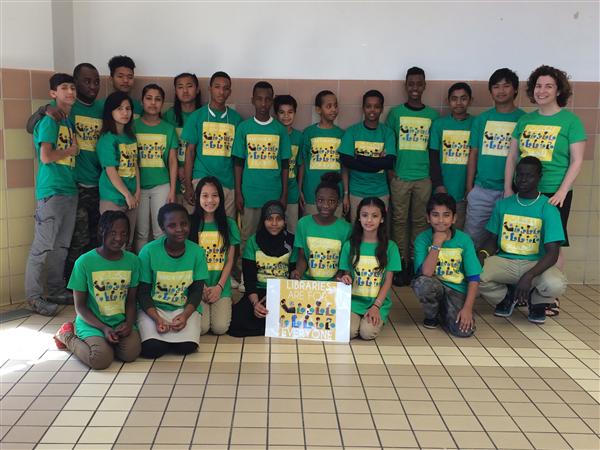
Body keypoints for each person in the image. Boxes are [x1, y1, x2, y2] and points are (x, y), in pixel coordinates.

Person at [504, 66, 586, 315]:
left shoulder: (570, 121)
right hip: (523, 191)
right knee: (524, 239)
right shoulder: (525, 120)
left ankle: (550, 296)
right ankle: (522, 291)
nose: (542, 90)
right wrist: (508, 188)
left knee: (553, 244)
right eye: (538, 86)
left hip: (553, 193)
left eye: (548, 86)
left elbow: (577, 160)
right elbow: (512, 156)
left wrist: (562, 191)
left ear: (558, 89)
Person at [24, 64, 103, 280]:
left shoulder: (96, 109)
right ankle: (63, 286)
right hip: (65, 186)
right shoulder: (58, 112)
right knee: (69, 241)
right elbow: (33, 128)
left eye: (96, 81)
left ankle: (76, 285)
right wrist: (44, 110)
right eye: (85, 81)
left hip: (92, 186)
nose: (92, 86)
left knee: (83, 240)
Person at [478, 157, 567, 324]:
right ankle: (506, 298)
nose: (523, 179)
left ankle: (537, 302)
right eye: (519, 175)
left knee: (556, 284)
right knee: (474, 273)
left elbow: (553, 253)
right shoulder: (503, 205)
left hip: (535, 264)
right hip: (505, 261)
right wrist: (481, 255)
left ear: (539, 177)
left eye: (529, 175)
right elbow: (492, 239)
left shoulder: (548, 208)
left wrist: (529, 275)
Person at [54, 211, 141, 369]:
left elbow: (131, 300)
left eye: (124, 233)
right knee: (100, 360)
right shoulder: (84, 262)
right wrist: (104, 328)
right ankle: (66, 335)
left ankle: (107, 343)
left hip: (119, 322)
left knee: (130, 354)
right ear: (102, 231)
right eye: (113, 232)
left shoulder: (133, 261)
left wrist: (128, 323)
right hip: (92, 323)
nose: (119, 238)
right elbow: (80, 307)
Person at [25, 73, 79, 316]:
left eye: (72, 88)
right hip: (52, 192)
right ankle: (34, 298)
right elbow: (46, 157)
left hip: (68, 190)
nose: (70, 91)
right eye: (64, 88)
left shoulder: (67, 119)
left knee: (61, 247)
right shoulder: (49, 120)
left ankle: (56, 289)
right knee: (42, 247)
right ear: (53, 93)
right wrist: (70, 150)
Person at [232, 81, 291, 286]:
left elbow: (285, 165)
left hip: (273, 194)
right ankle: (244, 276)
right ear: (252, 100)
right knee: (247, 236)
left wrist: (283, 195)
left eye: (267, 99)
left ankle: (270, 275)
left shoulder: (279, 130)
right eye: (259, 98)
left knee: (272, 235)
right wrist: (238, 192)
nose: (263, 103)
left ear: (272, 101)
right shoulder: (244, 128)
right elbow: (238, 163)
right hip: (250, 193)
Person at [387, 67, 440, 285]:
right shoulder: (396, 114)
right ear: (406, 86)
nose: (415, 88)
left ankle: (416, 261)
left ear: (425, 85)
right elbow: (390, 144)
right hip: (400, 176)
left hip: (423, 178)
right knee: (399, 221)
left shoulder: (432, 116)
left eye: (419, 83)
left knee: (420, 222)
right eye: (411, 84)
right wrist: (391, 173)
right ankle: (401, 263)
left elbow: (433, 149)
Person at [137, 203, 208, 358]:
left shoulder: (197, 252)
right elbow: (142, 293)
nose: (179, 229)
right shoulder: (148, 251)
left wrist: (185, 316)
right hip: (154, 310)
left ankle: (169, 338)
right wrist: (157, 319)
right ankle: (159, 338)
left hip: (183, 308)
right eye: (172, 225)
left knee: (187, 347)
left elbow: (197, 291)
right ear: (162, 228)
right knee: (152, 350)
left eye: (183, 224)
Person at [465, 68, 525, 247]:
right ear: (490, 91)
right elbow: (473, 153)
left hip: (513, 191)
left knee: (505, 240)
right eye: (496, 86)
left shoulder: (523, 119)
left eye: (506, 86)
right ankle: (473, 275)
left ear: (515, 89)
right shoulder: (482, 119)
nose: (501, 90)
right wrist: (470, 188)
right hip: (482, 190)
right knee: (473, 238)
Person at [411, 193, 481, 337]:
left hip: (457, 291)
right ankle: (432, 316)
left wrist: (467, 309)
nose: (441, 220)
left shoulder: (464, 240)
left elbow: (474, 278)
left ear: (454, 218)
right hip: (434, 285)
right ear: (428, 218)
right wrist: (436, 244)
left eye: (446, 215)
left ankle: (446, 311)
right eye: (435, 215)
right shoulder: (422, 239)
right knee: (423, 283)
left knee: (464, 331)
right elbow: (426, 273)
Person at [228, 201, 296, 337]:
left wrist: (276, 296)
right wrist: (255, 304)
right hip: (258, 293)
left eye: (279, 219)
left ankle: (270, 324)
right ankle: (271, 325)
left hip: (283, 293)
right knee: (236, 322)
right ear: (263, 221)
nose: (274, 223)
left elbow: (293, 274)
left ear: (284, 221)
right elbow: (249, 278)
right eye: (269, 219)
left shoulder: (291, 241)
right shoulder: (253, 241)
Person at [338, 198, 401, 340]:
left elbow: (388, 281)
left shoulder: (390, 247)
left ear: (382, 219)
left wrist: (376, 307)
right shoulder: (350, 245)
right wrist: (345, 278)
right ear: (359, 218)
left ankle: (375, 317)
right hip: (353, 303)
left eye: (375, 216)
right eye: (365, 215)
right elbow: (346, 274)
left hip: (377, 303)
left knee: (367, 333)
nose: (369, 220)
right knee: (349, 332)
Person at [182, 71, 242, 217]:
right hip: (201, 179)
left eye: (225, 88)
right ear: (210, 89)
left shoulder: (236, 119)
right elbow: (189, 153)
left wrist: (238, 189)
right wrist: (189, 185)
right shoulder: (197, 116)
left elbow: (238, 159)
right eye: (217, 87)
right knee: (200, 226)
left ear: (230, 92)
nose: (221, 92)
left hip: (227, 183)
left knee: (226, 226)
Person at [189, 177, 240, 335]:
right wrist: (201, 287)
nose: (210, 200)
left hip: (220, 284)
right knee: (202, 329)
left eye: (214, 195)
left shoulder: (229, 224)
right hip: (197, 285)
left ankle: (227, 299)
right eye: (205, 196)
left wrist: (219, 287)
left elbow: (230, 260)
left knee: (220, 328)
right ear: (198, 198)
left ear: (221, 198)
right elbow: (189, 261)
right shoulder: (191, 224)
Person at [133, 84, 178, 251]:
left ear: (163, 103)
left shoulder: (168, 128)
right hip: (138, 187)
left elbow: (172, 161)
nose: (153, 103)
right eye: (149, 98)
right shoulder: (133, 126)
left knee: (161, 231)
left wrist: (172, 190)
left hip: (162, 185)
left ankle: (159, 268)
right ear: (142, 101)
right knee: (141, 233)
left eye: (158, 99)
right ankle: (142, 270)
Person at [339, 90, 396, 222]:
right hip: (356, 192)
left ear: (381, 109)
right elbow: (346, 161)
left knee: (379, 231)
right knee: (357, 230)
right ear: (363, 108)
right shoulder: (352, 131)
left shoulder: (387, 133)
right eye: (368, 106)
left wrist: (358, 158)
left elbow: (388, 163)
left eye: (376, 107)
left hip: (380, 192)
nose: (372, 110)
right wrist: (377, 161)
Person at [429, 82, 475, 230]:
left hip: (465, 190)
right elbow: (433, 157)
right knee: (440, 227)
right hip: (443, 188)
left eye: (463, 98)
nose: (459, 103)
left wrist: (471, 186)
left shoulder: (476, 123)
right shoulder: (439, 124)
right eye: (454, 98)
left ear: (470, 100)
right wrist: (438, 184)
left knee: (459, 228)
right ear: (448, 101)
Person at [96, 91, 140, 246]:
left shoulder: (130, 137)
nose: (125, 113)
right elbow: (110, 170)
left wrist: (137, 191)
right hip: (113, 198)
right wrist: (127, 194)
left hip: (132, 198)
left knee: (126, 243)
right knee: (111, 243)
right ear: (110, 112)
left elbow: (135, 164)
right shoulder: (107, 138)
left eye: (128, 109)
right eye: (120, 109)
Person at [292, 173, 352, 281]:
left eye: (331, 201)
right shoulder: (303, 224)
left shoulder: (346, 228)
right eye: (321, 200)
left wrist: (338, 280)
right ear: (315, 200)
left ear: (338, 203)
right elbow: (302, 257)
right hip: (308, 283)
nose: (325, 205)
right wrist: (298, 273)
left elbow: (344, 263)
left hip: (334, 284)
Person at [298, 90, 345, 217]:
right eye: (328, 106)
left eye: (335, 106)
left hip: (336, 194)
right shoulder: (308, 133)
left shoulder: (342, 134)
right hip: (311, 193)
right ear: (318, 110)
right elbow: (302, 162)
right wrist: (299, 189)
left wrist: (345, 193)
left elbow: (345, 167)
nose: (333, 109)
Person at [274, 94, 303, 233]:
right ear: (276, 114)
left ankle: (292, 255)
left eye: (290, 112)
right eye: (282, 112)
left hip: (291, 190)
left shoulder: (299, 136)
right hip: (273, 187)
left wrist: (299, 188)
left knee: (292, 229)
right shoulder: (272, 134)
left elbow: (300, 165)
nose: (286, 116)